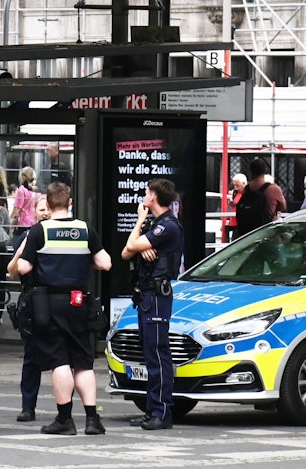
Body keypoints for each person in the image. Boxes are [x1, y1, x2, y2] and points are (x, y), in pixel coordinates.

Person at [17, 182, 111, 436]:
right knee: (83, 362)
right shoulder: (85, 229)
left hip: (50, 304)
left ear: (47, 205)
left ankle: (64, 419)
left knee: (59, 360)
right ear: (70, 203)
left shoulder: (40, 231)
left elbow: (23, 268)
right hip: (79, 302)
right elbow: (105, 263)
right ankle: (92, 420)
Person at [121, 178, 183, 431]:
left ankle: (162, 412)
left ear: (154, 197)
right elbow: (127, 251)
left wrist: (139, 235)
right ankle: (152, 409)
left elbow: (133, 245)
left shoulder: (167, 226)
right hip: (146, 296)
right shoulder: (154, 224)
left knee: (158, 353)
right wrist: (139, 239)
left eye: (147, 192)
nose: (144, 197)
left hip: (158, 295)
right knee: (149, 354)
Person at [8, 195, 51, 422]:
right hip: (33, 300)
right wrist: (24, 247)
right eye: (41, 209)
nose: (45, 212)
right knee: (31, 357)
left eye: (48, 209)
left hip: (55, 299)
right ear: (33, 212)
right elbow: (13, 271)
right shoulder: (26, 236)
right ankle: (28, 406)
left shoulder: (57, 237)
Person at [232, 157, 286, 239]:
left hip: (248, 233)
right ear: (265, 171)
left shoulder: (246, 189)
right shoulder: (274, 188)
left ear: (250, 171)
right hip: (267, 232)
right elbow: (283, 207)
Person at [11, 166, 39, 244]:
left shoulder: (21, 190)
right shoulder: (37, 190)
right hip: (34, 223)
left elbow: (17, 208)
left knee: (18, 244)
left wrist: (10, 219)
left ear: (23, 177)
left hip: (22, 224)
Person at [224, 173, 247, 241]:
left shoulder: (246, 193)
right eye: (235, 185)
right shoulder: (236, 192)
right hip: (235, 221)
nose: (236, 187)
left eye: (237, 185)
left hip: (241, 223)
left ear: (243, 183)